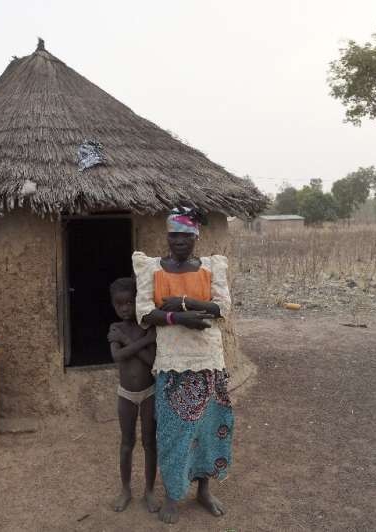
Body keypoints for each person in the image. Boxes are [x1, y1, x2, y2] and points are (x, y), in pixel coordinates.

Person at [132, 207, 234, 525]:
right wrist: (179, 318)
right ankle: (172, 495)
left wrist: (186, 304)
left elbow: (223, 308)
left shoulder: (210, 268)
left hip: (208, 361)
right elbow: (145, 312)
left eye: (185, 235)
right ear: (167, 236)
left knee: (207, 431)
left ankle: (203, 490)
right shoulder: (152, 269)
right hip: (172, 363)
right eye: (174, 235)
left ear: (195, 238)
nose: (179, 241)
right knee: (173, 433)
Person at [107, 277, 160, 513]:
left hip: (149, 393)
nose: (125, 308)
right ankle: (125, 489)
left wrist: (130, 343)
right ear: (113, 305)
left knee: (150, 443)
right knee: (127, 443)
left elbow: (152, 362)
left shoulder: (147, 327)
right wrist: (141, 342)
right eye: (119, 304)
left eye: (129, 302)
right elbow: (117, 357)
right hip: (126, 394)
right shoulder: (115, 329)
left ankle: (149, 491)